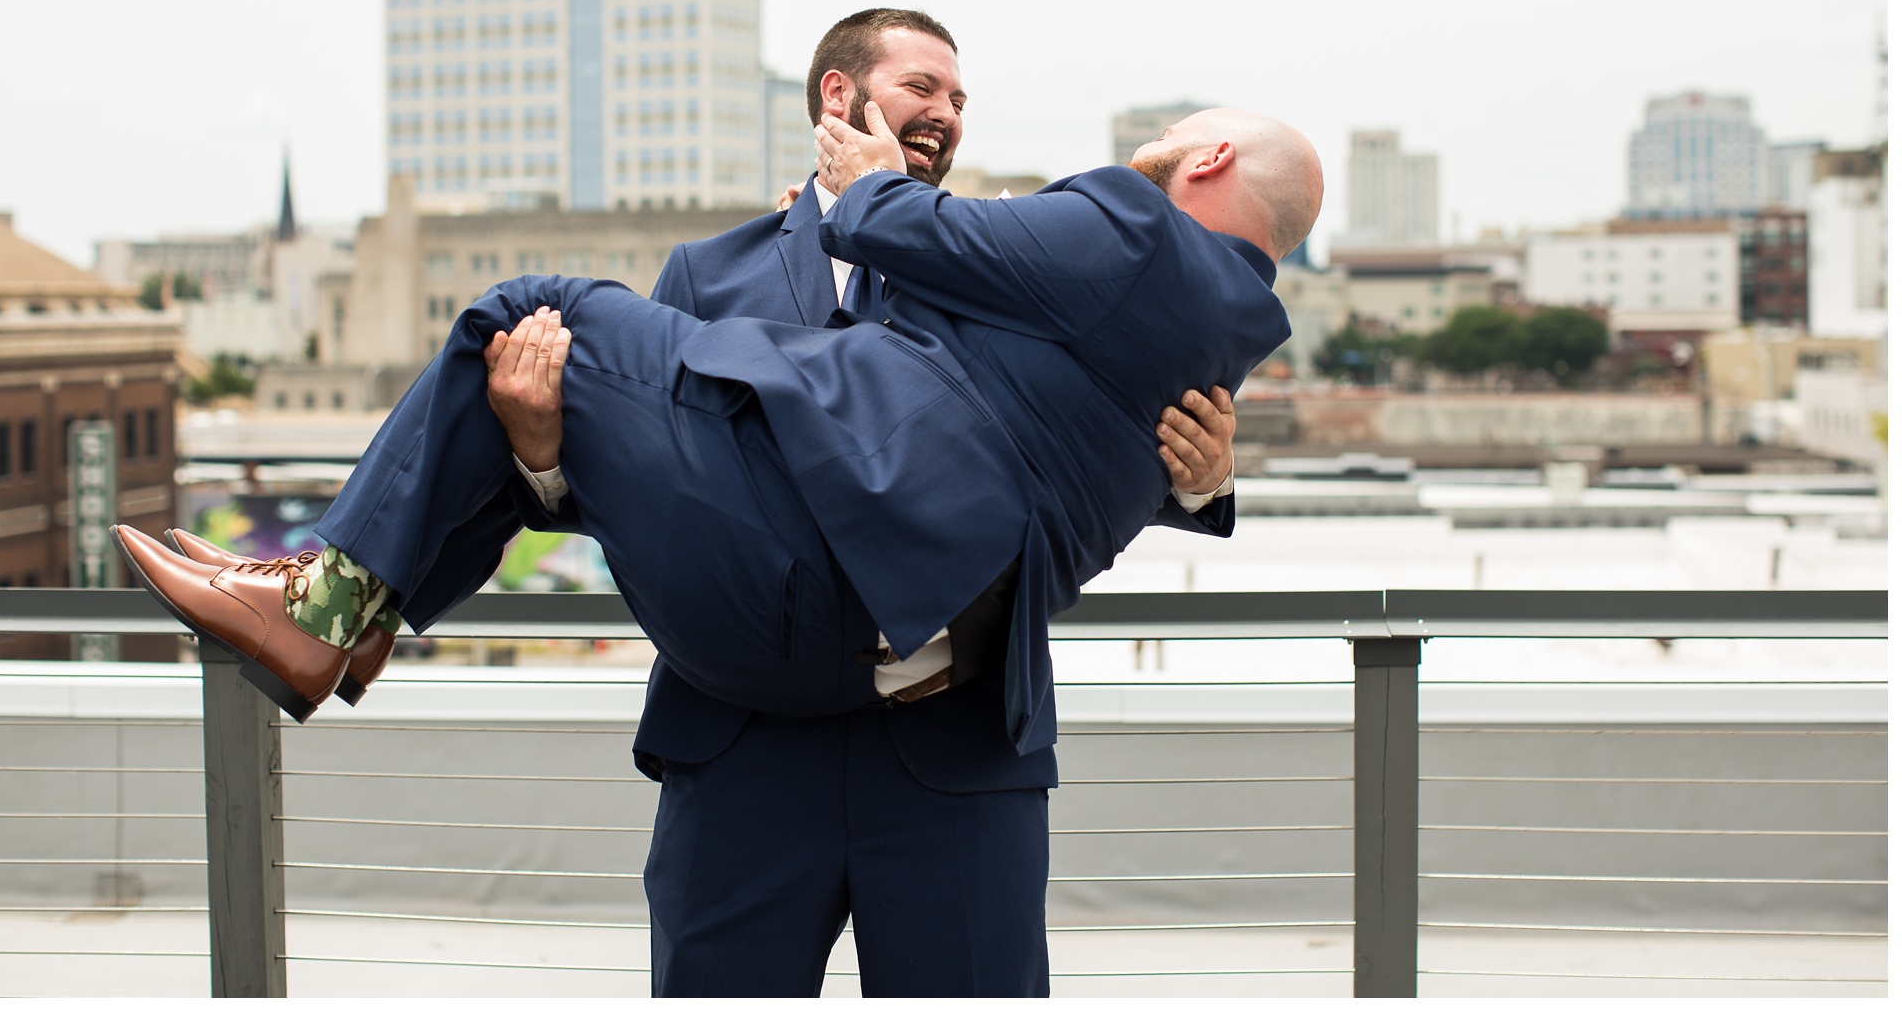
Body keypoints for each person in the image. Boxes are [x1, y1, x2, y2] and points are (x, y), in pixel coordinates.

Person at [112, 99, 1322, 995]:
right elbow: (666, 487)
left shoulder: (1066, 241)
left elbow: (1029, 439)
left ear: (1206, 156)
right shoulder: (725, 272)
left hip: (939, 749)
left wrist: (1205, 484)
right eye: (914, 92)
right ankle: (340, 606)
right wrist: (541, 446)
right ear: (835, 102)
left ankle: (337, 608)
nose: (940, 114)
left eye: (957, 97)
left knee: (532, 301)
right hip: (752, 698)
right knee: (523, 347)